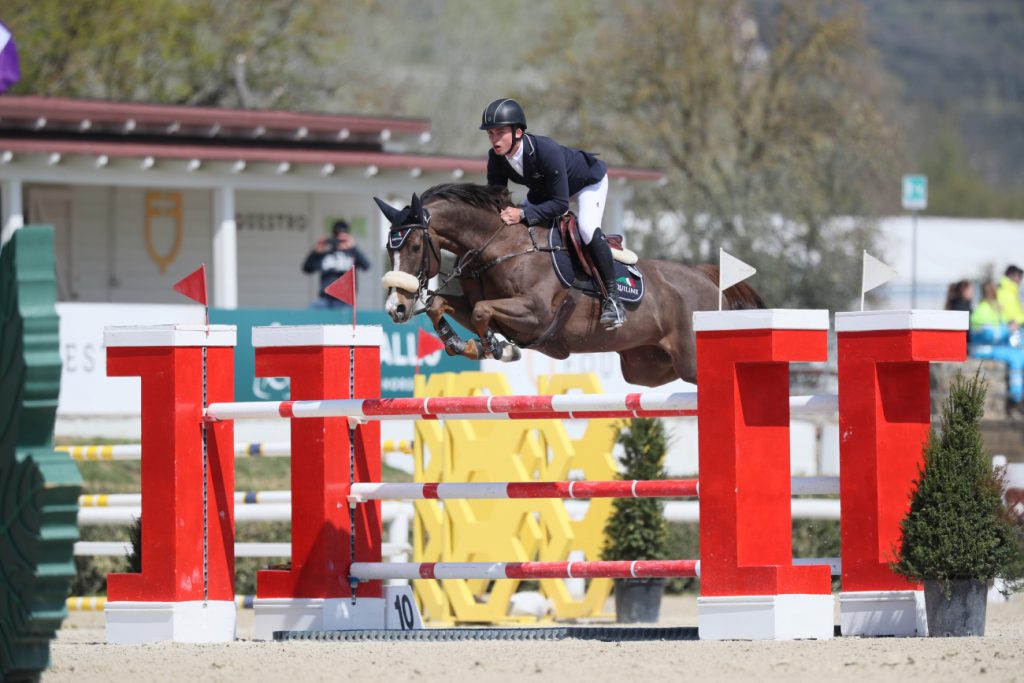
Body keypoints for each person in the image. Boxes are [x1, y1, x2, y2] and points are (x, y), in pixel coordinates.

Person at [479, 97, 624, 330]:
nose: (494, 139)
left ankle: (614, 299)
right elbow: (496, 198)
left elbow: (560, 205)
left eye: (500, 132)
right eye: (490, 134)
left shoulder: (546, 151)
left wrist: (523, 214)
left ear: (518, 132)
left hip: (586, 183)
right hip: (546, 189)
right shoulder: (496, 158)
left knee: (586, 228)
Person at [970, 281, 1024, 414]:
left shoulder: (993, 309)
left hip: (994, 347)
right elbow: (988, 335)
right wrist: (1007, 329)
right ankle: (1016, 398)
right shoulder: (982, 310)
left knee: (1019, 354)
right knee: (1016, 357)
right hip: (984, 348)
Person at [302, 219, 370, 309]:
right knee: (309, 316)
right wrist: (316, 252)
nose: (339, 240)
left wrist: (353, 248)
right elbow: (307, 268)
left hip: (345, 301)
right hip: (325, 300)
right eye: (337, 236)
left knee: (347, 321)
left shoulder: (352, 253)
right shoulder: (326, 253)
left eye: (343, 237)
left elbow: (366, 266)